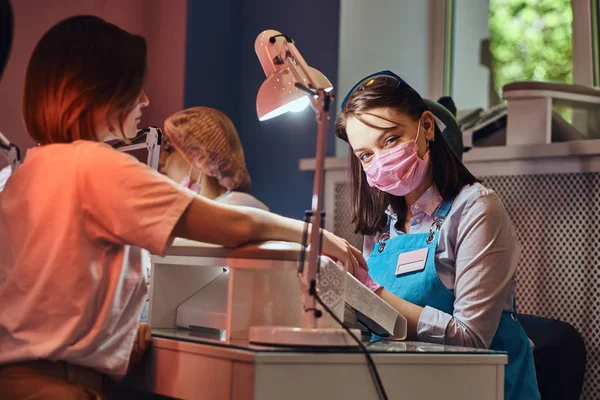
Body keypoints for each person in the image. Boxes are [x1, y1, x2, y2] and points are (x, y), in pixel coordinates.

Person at [0, 16, 365, 399]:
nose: (144, 102)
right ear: (96, 92)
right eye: (134, 89)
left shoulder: (25, 173)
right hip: (59, 386)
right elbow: (233, 227)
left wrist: (114, 339)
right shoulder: (96, 167)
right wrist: (315, 234)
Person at [336, 70, 539, 400]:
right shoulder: (382, 226)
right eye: (366, 155)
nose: (381, 161)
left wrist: (370, 293)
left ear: (426, 127)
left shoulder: (476, 210)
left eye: (390, 140)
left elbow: (471, 341)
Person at [160, 106, 268, 210]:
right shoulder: (212, 214)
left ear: (200, 155)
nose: (161, 161)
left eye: (169, 150)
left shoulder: (235, 214)